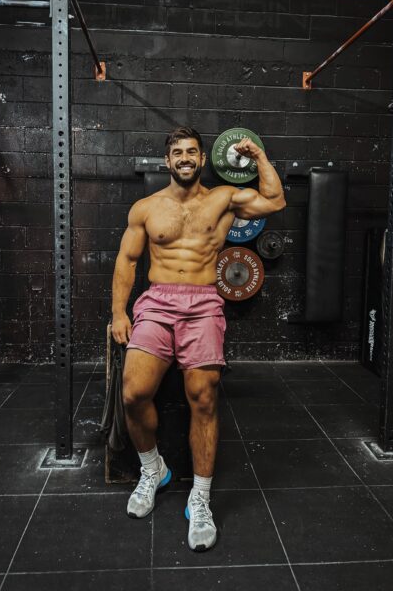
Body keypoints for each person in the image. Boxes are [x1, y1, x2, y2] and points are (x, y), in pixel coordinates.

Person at [111, 126, 285, 551]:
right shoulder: (147, 208)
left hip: (204, 302)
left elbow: (275, 200)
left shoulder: (223, 198)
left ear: (203, 159)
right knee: (133, 393)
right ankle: (153, 469)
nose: (185, 158)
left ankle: (200, 497)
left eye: (192, 151)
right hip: (157, 302)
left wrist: (258, 156)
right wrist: (118, 312)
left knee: (203, 399)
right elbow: (127, 260)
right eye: (177, 152)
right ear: (167, 161)